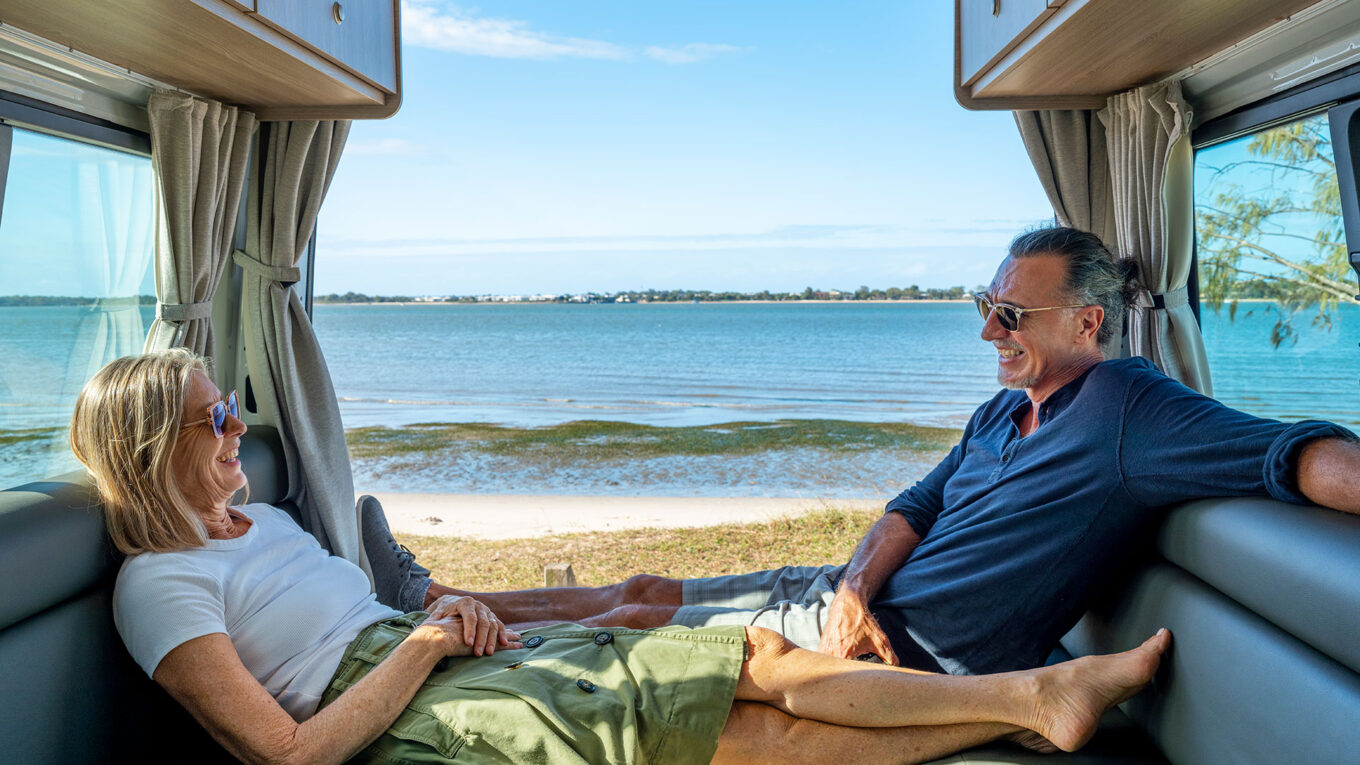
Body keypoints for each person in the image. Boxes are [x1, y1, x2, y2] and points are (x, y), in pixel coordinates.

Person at [73, 348, 1172, 765]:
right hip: (399, 710)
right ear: (151, 446)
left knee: (747, 654)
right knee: (744, 735)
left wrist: (473, 620)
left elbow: (379, 625)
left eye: (233, 411)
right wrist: (423, 646)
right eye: (216, 418)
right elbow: (288, 755)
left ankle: (1030, 702)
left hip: (426, 659)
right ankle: (1030, 703)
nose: (238, 430)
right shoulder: (159, 584)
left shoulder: (259, 524)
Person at [394, 225, 1360, 676]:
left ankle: (451, 641)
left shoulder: (1127, 406)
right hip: (851, 599)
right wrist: (855, 582)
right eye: (986, 307)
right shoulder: (1002, 414)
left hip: (905, 652)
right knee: (644, 584)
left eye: (1011, 315)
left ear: (1089, 321)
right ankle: (442, 598)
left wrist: (860, 613)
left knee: (636, 618)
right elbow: (914, 506)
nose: (988, 331)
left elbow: (1294, 453)